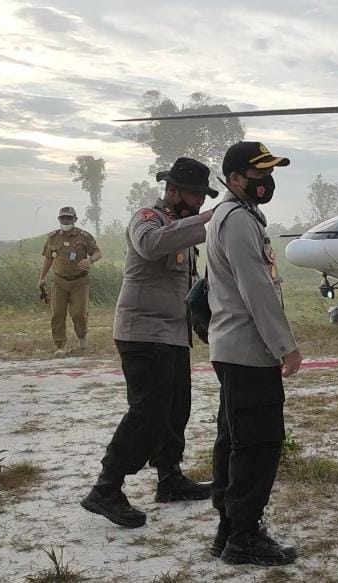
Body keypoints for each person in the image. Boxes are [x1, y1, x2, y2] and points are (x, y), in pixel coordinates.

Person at [81, 157, 217, 529]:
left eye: (203, 198)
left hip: (173, 335)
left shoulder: (183, 227)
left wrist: (200, 321)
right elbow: (151, 246)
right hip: (141, 333)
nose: (199, 202)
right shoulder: (148, 219)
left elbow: (186, 287)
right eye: (194, 194)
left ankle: (169, 478)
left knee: (176, 410)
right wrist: (204, 223)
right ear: (172, 190)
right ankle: (106, 487)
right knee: (147, 413)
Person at [208, 141, 302, 566]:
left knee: (233, 440)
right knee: (258, 445)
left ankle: (229, 528)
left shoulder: (233, 216)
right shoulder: (239, 221)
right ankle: (243, 537)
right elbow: (257, 290)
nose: (267, 182)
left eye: (270, 173)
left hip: (234, 348)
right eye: (258, 175)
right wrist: (286, 346)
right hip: (249, 351)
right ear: (235, 179)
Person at [38, 207, 101, 354]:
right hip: (59, 281)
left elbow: (97, 252)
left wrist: (90, 260)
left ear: (75, 219)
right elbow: (48, 258)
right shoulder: (53, 238)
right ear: (59, 219)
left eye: (69, 218)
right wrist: (41, 278)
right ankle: (60, 345)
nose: (65, 221)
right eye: (63, 218)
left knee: (79, 313)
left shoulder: (84, 236)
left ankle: (82, 336)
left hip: (80, 281)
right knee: (57, 313)